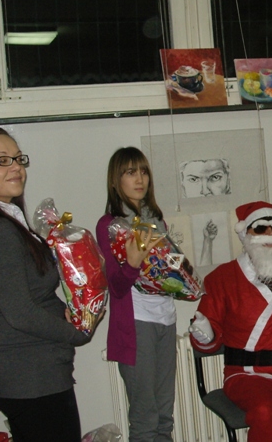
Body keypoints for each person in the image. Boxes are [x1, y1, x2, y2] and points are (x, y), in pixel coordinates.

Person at [0, 126, 91, 442]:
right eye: (2, 160)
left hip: (33, 372)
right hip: (29, 374)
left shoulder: (4, 220)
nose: (16, 167)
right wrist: (76, 333)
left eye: (18, 158)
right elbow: (20, 313)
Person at [189, 201, 272, 442]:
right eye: (261, 228)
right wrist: (205, 336)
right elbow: (208, 335)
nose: (270, 234)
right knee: (264, 413)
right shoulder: (221, 279)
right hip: (248, 376)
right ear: (245, 234)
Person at [96, 147, 174, 442]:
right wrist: (132, 262)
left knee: (164, 417)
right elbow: (115, 287)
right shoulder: (109, 225)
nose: (139, 179)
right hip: (135, 324)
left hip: (166, 319)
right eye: (130, 172)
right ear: (115, 180)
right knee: (145, 419)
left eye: (143, 172)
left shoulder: (157, 221)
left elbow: (164, 275)